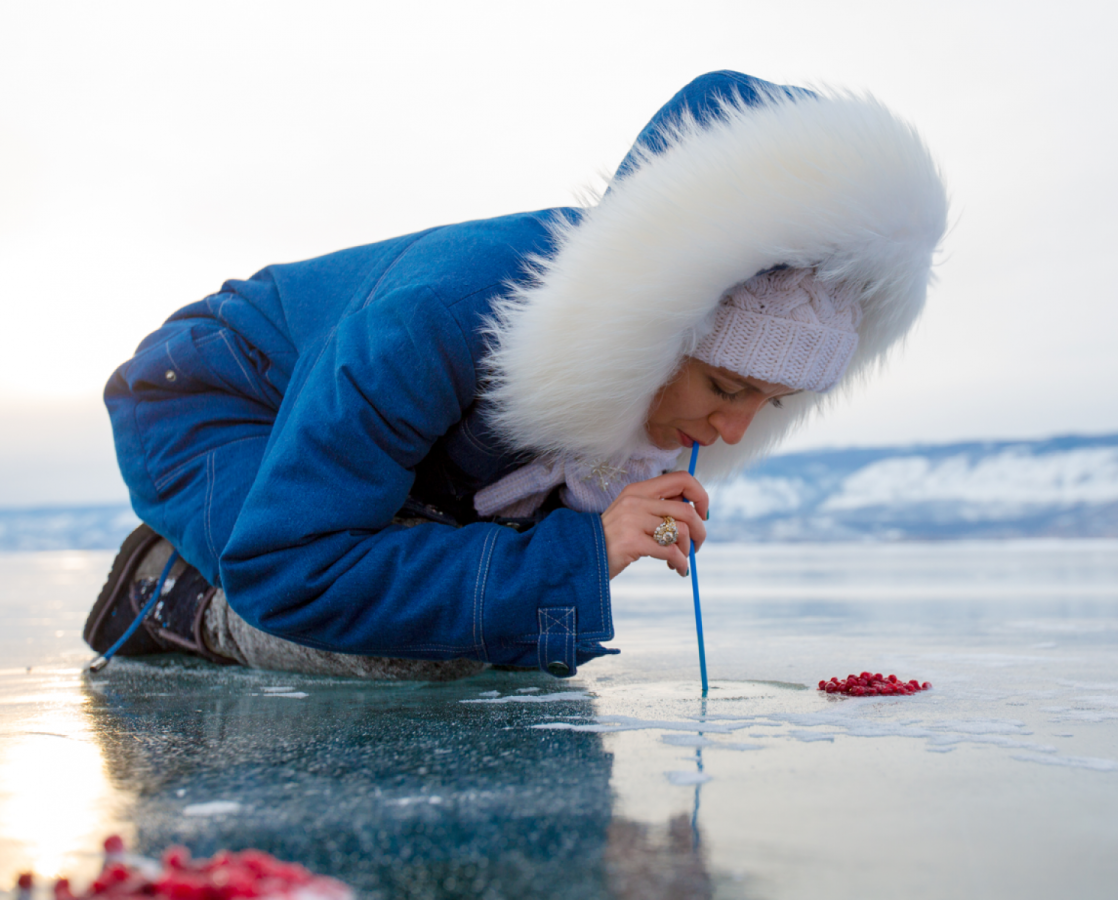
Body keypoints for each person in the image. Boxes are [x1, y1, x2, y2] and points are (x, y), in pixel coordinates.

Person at [83, 71, 948, 679]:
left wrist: (550, 572)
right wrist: (587, 547)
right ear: (648, 329)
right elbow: (296, 567)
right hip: (214, 401)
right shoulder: (436, 318)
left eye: (773, 404)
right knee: (400, 655)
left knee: (510, 642)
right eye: (726, 389)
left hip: (362, 438)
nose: (734, 434)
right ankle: (175, 592)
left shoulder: (622, 375)